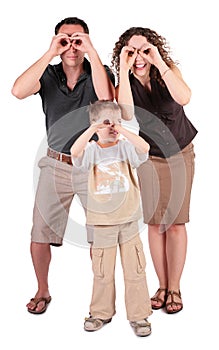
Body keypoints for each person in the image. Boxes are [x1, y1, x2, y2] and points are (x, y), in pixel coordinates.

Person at [11, 17, 115, 314]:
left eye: (77, 38)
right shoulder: (49, 74)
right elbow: (18, 91)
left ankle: (102, 298)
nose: (71, 44)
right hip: (56, 163)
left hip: (95, 163)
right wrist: (50, 53)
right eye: (64, 38)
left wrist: (91, 52)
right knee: (39, 233)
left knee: (100, 235)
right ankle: (42, 290)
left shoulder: (99, 71)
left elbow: (108, 98)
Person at [111, 27, 197, 314]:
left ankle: (175, 287)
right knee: (155, 223)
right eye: (131, 51)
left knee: (175, 222)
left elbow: (184, 97)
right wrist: (124, 70)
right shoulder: (124, 81)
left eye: (144, 49)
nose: (139, 56)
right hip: (150, 155)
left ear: (154, 49)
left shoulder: (167, 70)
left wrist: (158, 61)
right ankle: (161, 286)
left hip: (180, 153)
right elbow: (124, 113)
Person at [71, 100, 152, 337]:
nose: (112, 127)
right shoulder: (92, 151)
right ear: (95, 125)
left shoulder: (126, 147)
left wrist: (122, 128)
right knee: (103, 271)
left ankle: (139, 316)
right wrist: (92, 130)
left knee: (135, 270)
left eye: (115, 122)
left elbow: (144, 148)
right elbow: (75, 153)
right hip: (102, 222)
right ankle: (100, 313)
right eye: (106, 123)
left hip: (128, 219)